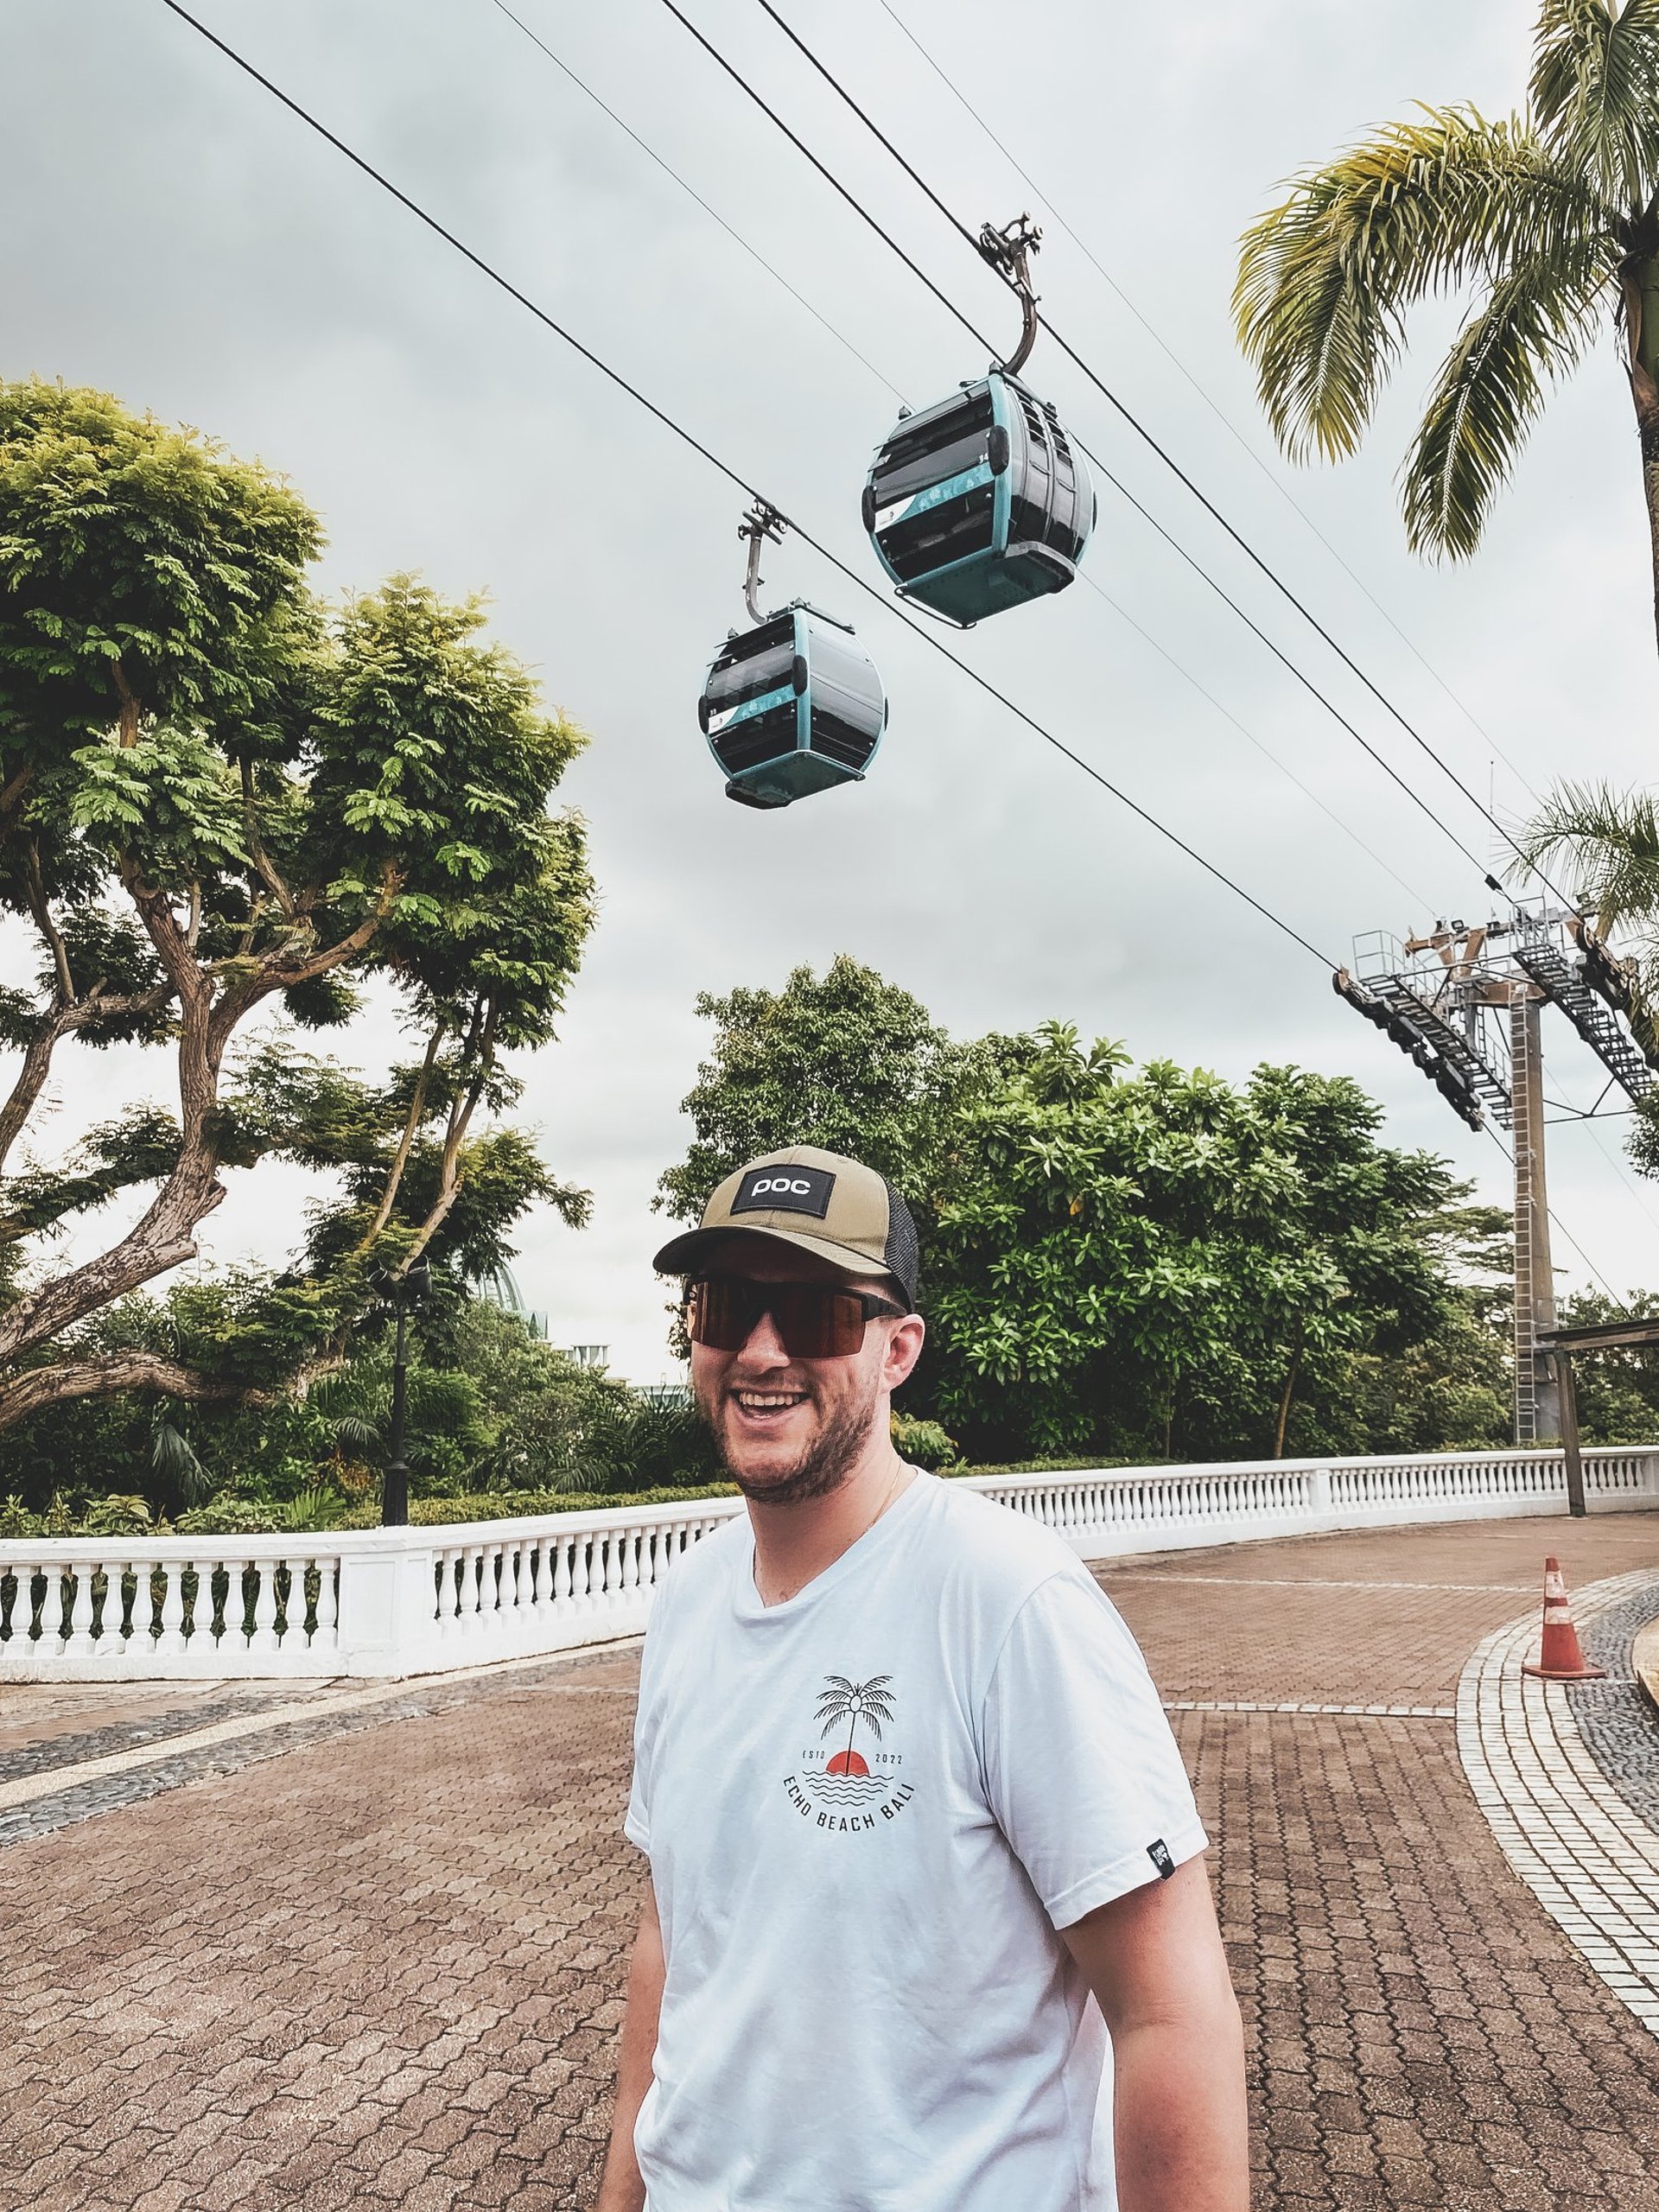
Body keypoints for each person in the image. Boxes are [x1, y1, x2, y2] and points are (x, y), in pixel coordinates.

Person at [594, 1145, 1248, 2212]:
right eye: (725, 1306)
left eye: (811, 1313)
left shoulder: (1006, 1600)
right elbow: (671, 1937)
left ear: (897, 1349)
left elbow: (1170, 2011)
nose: (759, 1351)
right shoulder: (687, 1599)